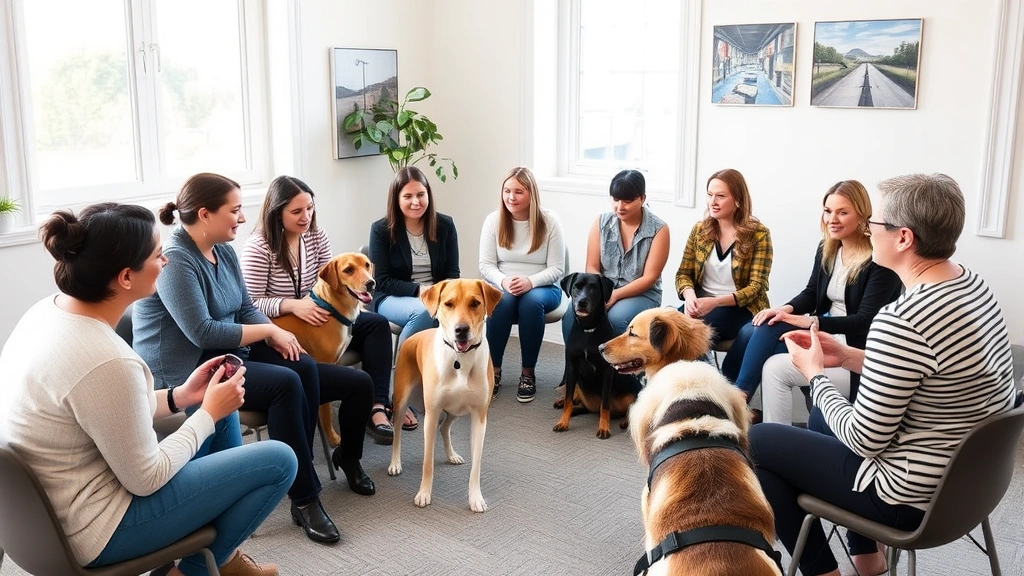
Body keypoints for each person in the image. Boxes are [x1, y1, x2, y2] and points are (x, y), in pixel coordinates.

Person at [0, 203, 294, 576]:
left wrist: (182, 396)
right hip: (97, 529)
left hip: (40, 515)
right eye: (158, 255)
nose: (166, 262)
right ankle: (192, 571)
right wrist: (206, 414)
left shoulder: (47, 312)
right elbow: (146, 478)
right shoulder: (108, 361)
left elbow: (104, 411)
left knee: (216, 415)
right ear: (125, 277)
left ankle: (222, 556)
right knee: (278, 459)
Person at [751, 174, 1017, 576]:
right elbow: (934, 374)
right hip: (969, 488)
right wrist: (851, 356)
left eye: (876, 223)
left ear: (904, 238)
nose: (870, 230)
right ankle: (867, 559)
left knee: (757, 442)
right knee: (823, 418)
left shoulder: (902, 320)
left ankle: (824, 571)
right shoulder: (973, 286)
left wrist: (817, 375)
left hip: (907, 498)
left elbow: (865, 439)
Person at [133, 173, 362, 546]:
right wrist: (272, 331)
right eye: (235, 210)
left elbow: (244, 307)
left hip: (221, 353)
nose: (242, 219)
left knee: (302, 364)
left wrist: (277, 332)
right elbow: (202, 332)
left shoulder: (222, 248)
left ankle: (296, 474)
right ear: (205, 215)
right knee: (285, 384)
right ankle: (305, 499)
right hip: (183, 370)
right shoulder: (177, 259)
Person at [720, 180, 902, 417]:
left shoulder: (878, 261)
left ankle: (735, 399)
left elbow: (864, 320)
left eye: (842, 212)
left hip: (853, 350)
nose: (832, 219)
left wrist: (809, 322)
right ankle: (736, 399)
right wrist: (783, 309)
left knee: (764, 342)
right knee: (765, 324)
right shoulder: (828, 248)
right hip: (824, 335)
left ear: (862, 215)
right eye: (828, 211)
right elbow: (811, 293)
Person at [240, 175, 391, 459]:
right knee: (321, 366)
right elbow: (250, 304)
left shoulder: (316, 235)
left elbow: (333, 280)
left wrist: (353, 299)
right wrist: (292, 306)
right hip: (283, 324)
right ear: (276, 213)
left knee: (377, 325)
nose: (306, 216)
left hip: (321, 312)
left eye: (309, 208)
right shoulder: (259, 248)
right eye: (296, 212)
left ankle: (377, 407)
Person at [368, 166, 458, 424]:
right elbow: (381, 280)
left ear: (429, 195)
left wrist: (439, 295)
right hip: (391, 298)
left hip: (438, 296)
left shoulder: (445, 225)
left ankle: (439, 392)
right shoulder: (381, 230)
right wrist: (420, 290)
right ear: (396, 199)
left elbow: (452, 272)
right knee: (422, 311)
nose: (415, 201)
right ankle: (400, 394)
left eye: (420, 194)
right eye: (407, 196)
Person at [479, 167, 565, 402]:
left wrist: (530, 282)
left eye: (518, 191)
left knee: (531, 303)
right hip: (503, 284)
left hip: (544, 287)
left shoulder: (549, 221)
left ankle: (528, 373)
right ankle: (493, 371)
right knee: (501, 302)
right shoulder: (493, 220)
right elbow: (486, 265)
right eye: (507, 191)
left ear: (531, 194)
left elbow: (558, 268)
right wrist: (504, 280)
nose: (511, 197)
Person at [560, 169, 669, 342]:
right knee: (570, 316)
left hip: (641, 294)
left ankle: (615, 368)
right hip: (603, 289)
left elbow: (649, 278)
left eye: (627, 201)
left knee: (615, 320)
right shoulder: (601, 222)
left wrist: (615, 295)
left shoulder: (659, 229)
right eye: (615, 199)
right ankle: (578, 365)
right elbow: (592, 266)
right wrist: (602, 294)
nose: (619, 206)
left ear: (642, 198)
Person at [674, 168, 772, 350]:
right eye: (710, 195)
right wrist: (690, 297)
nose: (713, 202)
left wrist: (715, 302)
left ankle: (706, 377)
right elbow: (683, 274)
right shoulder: (700, 230)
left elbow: (756, 287)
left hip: (739, 308)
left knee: (689, 335)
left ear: (737, 200)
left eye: (720, 196)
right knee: (665, 326)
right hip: (700, 303)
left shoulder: (759, 234)